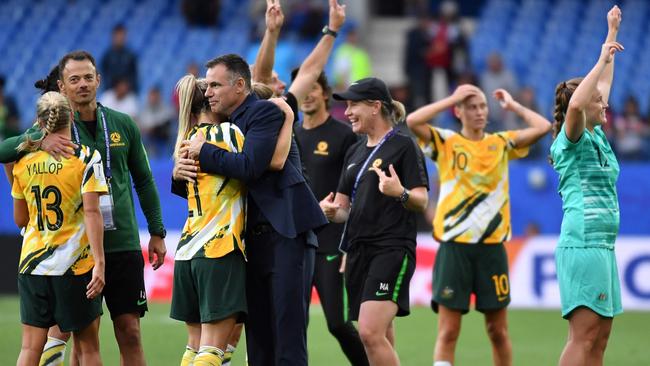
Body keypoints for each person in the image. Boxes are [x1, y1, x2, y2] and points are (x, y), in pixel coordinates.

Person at [0, 50, 167, 366]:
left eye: (88, 77)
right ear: (61, 87)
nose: (82, 85)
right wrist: (38, 141)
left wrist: (157, 230)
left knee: (130, 332)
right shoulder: (46, 131)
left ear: (98, 80)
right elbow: (4, 150)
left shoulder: (122, 124)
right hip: (75, 252)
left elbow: (144, 181)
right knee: (81, 339)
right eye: (74, 79)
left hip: (121, 243)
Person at [179, 53, 327, 366]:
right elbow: (203, 190)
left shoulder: (263, 113)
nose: (209, 93)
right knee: (259, 340)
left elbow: (251, 166)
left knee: (286, 336)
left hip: (284, 232)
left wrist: (203, 151)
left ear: (240, 86)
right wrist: (179, 171)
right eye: (208, 87)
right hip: (249, 242)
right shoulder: (223, 127)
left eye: (216, 85)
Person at [406, 82, 551, 366]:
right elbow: (412, 121)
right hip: (454, 248)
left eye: (483, 106)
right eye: (472, 107)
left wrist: (515, 106)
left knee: (497, 331)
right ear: (458, 112)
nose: (480, 112)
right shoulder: (446, 142)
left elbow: (544, 126)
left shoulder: (501, 143)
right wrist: (450, 98)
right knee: (448, 332)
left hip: (492, 248)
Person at [171, 75, 294, 366]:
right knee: (214, 350)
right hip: (219, 248)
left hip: (188, 250)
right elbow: (270, 163)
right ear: (212, 100)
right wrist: (288, 119)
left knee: (195, 348)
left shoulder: (186, 142)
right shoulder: (228, 134)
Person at [320, 77, 429, 365]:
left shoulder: (404, 145)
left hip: (391, 248)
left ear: (375, 106)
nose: (347, 112)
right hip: (358, 252)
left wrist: (400, 192)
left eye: (354, 104)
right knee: (379, 335)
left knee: (369, 332)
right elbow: (344, 209)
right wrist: (331, 211)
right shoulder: (355, 152)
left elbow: (421, 199)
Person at [11, 91, 107, 366]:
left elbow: (21, 220)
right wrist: (99, 263)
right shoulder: (86, 157)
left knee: (29, 348)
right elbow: (92, 212)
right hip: (74, 267)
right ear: (72, 117)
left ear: (39, 123)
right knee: (88, 348)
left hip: (32, 266)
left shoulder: (23, 160)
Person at [550, 6, 623, 366]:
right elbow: (580, 101)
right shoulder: (572, 138)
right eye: (600, 100)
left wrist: (611, 35)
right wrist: (599, 55)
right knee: (583, 336)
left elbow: (601, 86)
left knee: (601, 337)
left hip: (604, 247)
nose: (605, 102)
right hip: (583, 244)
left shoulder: (597, 133)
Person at [293, 70, 368, 365]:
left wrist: (350, 239)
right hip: (297, 241)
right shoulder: (291, 134)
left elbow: (358, 187)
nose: (308, 94)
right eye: (304, 89)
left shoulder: (344, 135)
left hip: (330, 242)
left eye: (315, 88)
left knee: (337, 323)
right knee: (295, 325)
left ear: (325, 94)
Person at [100, 24, 139, 93]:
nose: (120, 38)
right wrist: (115, 87)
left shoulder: (131, 56)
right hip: (111, 92)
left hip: (127, 93)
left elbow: (134, 77)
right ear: (113, 37)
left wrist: (126, 86)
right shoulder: (107, 56)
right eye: (118, 35)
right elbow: (103, 76)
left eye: (122, 35)